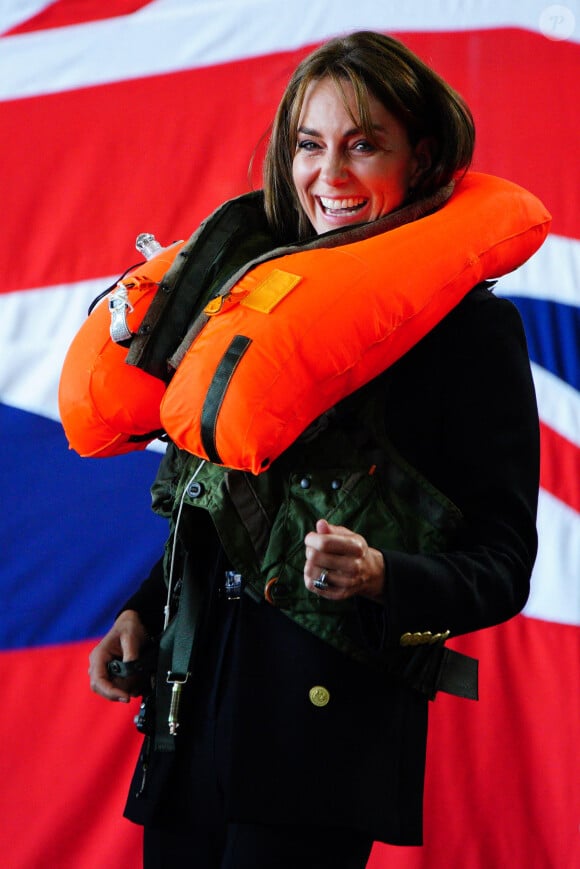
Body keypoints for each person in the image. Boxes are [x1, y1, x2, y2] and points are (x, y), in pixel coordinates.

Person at [88, 31, 540, 869]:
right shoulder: (257, 297)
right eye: (309, 144)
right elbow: (222, 492)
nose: (328, 175)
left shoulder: (470, 333)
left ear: (422, 157)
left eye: (362, 145)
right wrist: (145, 609)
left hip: (320, 742)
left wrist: (382, 575)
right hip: (189, 710)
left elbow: (503, 561)